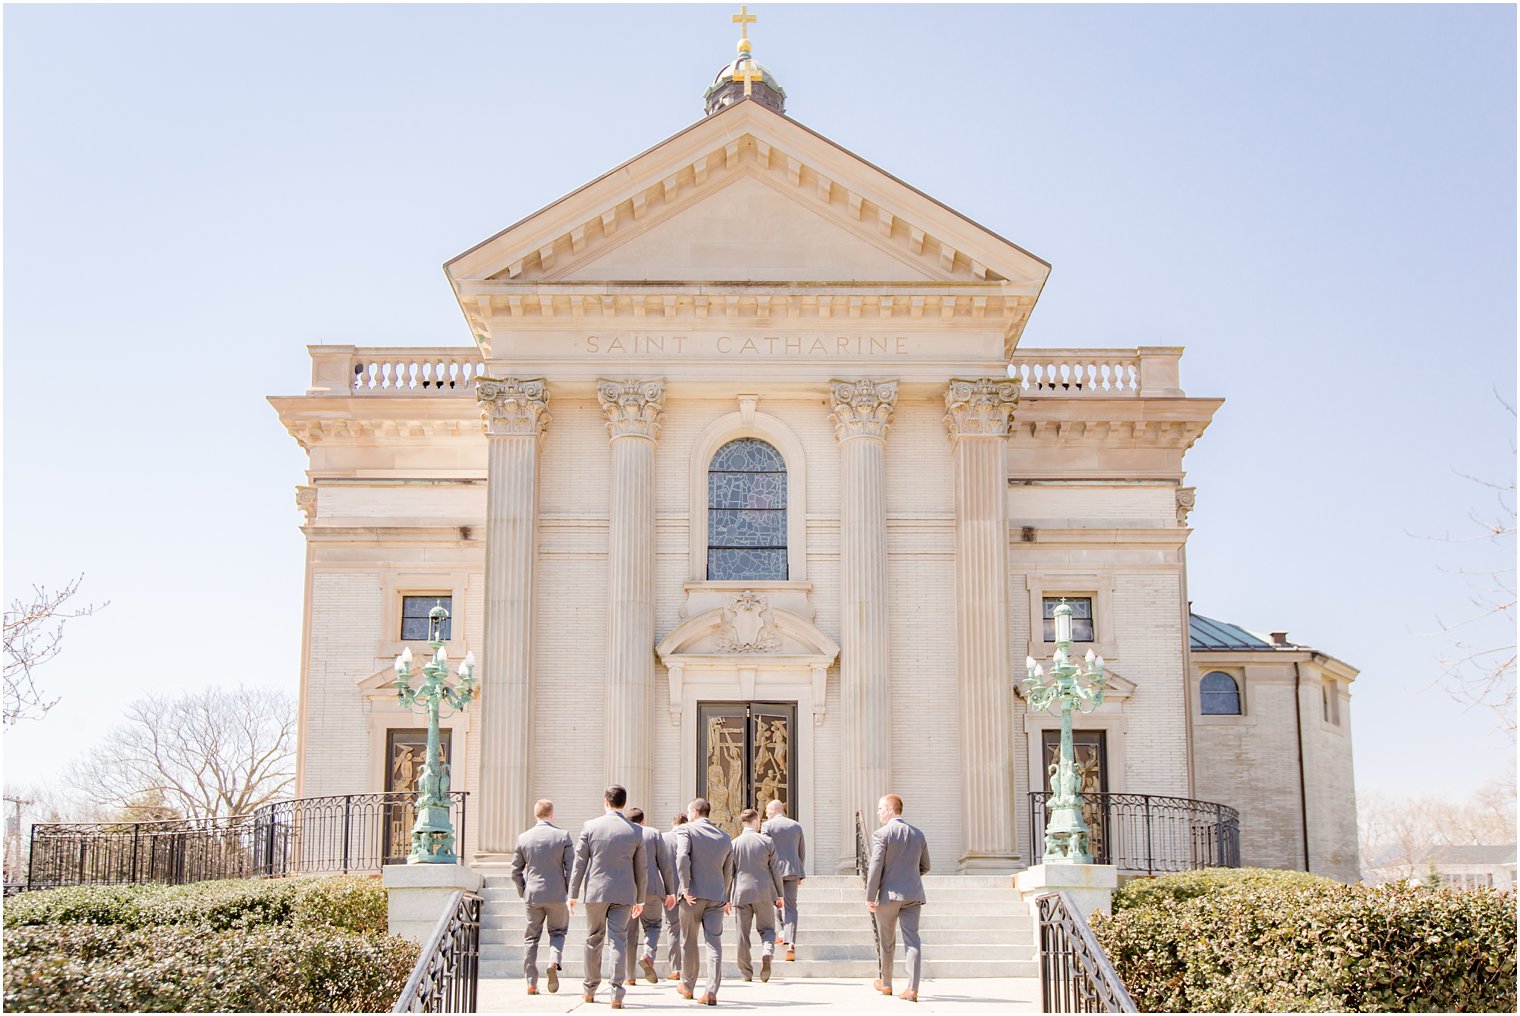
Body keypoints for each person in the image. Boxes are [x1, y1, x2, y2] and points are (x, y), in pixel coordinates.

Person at [569, 785, 647, 1010]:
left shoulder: (590, 827)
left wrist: (572, 894)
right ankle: (616, 993)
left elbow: (579, 863)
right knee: (618, 941)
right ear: (623, 803)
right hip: (623, 893)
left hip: (595, 892)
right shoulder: (635, 831)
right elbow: (642, 870)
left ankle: (589, 989)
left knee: (594, 939)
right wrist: (640, 899)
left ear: (605, 802)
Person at [865, 793, 930, 1003]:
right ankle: (912, 988)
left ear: (892, 809)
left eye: (881, 808)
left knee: (887, 942)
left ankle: (886, 983)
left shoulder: (882, 834)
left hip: (888, 895)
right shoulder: (918, 834)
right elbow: (926, 866)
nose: (878, 812)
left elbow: (875, 867)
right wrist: (909, 877)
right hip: (913, 894)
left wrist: (870, 895)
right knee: (913, 941)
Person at [675, 797, 734, 1006]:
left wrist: (685, 886)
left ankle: (688, 986)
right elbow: (729, 872)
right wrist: (725, 895)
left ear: (693, 812)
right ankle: (711, 990)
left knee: (689, 941)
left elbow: (682, 857)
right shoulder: (725, 837)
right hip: (716, 896)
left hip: (692, 896)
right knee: (714, 943)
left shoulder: (687, 830)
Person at [511, 799, 573, 996]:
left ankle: (531, 983)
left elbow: (515, 871)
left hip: (533, 894)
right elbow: (571, 868)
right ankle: (554, 962)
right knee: (558, 932)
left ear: (535, 815)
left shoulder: (524, 838)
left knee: (531, 938)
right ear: (552, 814)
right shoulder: (562, 836)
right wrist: (569, 892)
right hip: (557, 894)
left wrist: (524, 890)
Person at [730, 808, 785, 982]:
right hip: (764, 892)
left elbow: (728, 873)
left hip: (741, 893)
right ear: (755, 822)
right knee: (768, 929)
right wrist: (780, 895)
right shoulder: (767, 842)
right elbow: (775, 870)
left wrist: (725, 898)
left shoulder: (734, 844)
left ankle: (746, 973)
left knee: (742, 934)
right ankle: (767, 951)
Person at [625, 807, 677, 984]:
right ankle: (647, 953)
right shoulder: (654, 834)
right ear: (643, 820)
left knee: (629, 933)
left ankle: (629, 976)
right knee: (653, 925)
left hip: (629, 891)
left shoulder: (624, 833)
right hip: (652, 888)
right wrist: (670, 892)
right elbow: (665, 864)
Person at [761, 799, 806, 959]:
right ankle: (791, 941)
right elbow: (801, 851)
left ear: (773, 810)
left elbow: (764, 848)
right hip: (793, 870)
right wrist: (800, 873)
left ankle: (780, 932)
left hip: (774, 871)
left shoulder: (767, 826)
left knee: (774, 902)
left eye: (767, 809)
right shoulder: (796, 825)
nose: (765, 812)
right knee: (791, 906)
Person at [662, 812, 688, 980]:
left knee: (672, 927)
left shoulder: (662, 839)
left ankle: (675, 968)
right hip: (688, 890)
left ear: (673, 823)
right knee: (688, 930)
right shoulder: (690, 838)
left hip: (669, 889)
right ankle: (689, 968)